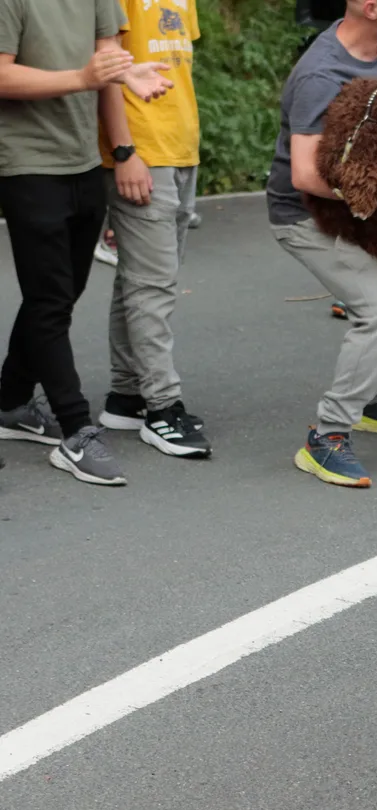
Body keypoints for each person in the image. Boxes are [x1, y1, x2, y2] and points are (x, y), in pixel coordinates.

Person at [0, 0, 173, 486]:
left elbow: (106, 63)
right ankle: (76, 429)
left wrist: (122, 143)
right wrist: (84, 76)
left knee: (59, 297)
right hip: (26, 162)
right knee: (50, 299)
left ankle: (9, 400)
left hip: (83, 159)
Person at [265, 0, 377, 488]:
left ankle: (371, 398)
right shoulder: (322, 73)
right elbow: (306, 174)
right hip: (307, 216)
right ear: (372, 7)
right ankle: (328, 436)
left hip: (364, 210)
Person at [94, 0, 212, 460]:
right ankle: (163, 406)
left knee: (140, 280)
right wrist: (124, 150)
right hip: (141, 149)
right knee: (153, 286)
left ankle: (126, 398)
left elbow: (177, 69)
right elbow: (108, 65)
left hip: (181, 145)